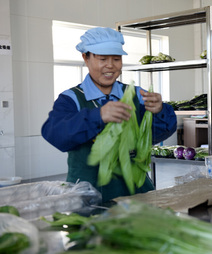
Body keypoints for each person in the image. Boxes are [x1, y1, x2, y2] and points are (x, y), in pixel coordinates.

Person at [42, 27, 177, 202]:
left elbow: (154, 135)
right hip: (89, 194)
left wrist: (160, 111)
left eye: (116, 58)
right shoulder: (71, 98)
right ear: (86, 58)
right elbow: (55, 135)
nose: (110, 65)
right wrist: (97, 117)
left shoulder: (136, 94)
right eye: (102, 58)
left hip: (136, 191)